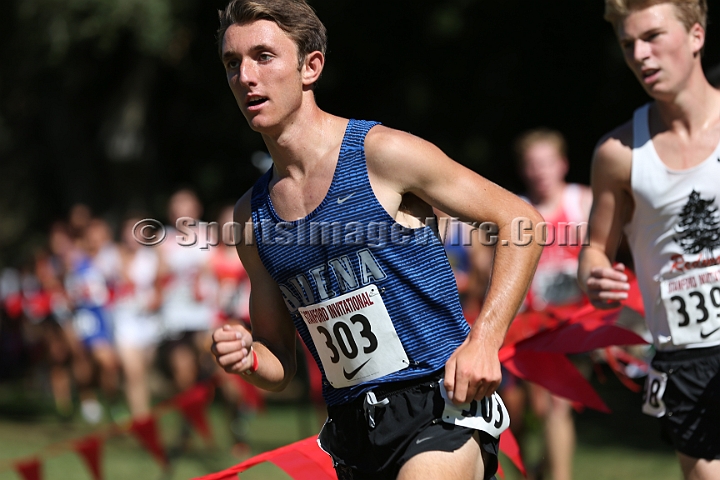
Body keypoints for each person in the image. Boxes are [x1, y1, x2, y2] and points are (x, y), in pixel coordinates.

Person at [210, 1, 543, 479]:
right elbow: (279, 361)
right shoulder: (252, 216)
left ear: (311, 66)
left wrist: (485, 340)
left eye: (264, 56)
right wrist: (247, 357)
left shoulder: (381, 154)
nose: (245, 76)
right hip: (352, 433)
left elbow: (520, 222)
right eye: (231, 63)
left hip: (439, 404)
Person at [578, 1, 720, 478]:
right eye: (628, 44)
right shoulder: (618, 153)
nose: (640, 54)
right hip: (687, 356)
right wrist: (595, 275)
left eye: (653, 37)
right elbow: (595, 248)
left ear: (696, 35)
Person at [506, 129, 592, 480]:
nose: (539, 171)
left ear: (563, 165)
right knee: (541, 408)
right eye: (532, 164)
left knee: (559, 404)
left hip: (577, 324)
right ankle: (540, 469)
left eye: (546, 163)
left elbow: (609, 249)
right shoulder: (515, 210)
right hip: (534, 327)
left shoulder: (582, 201)